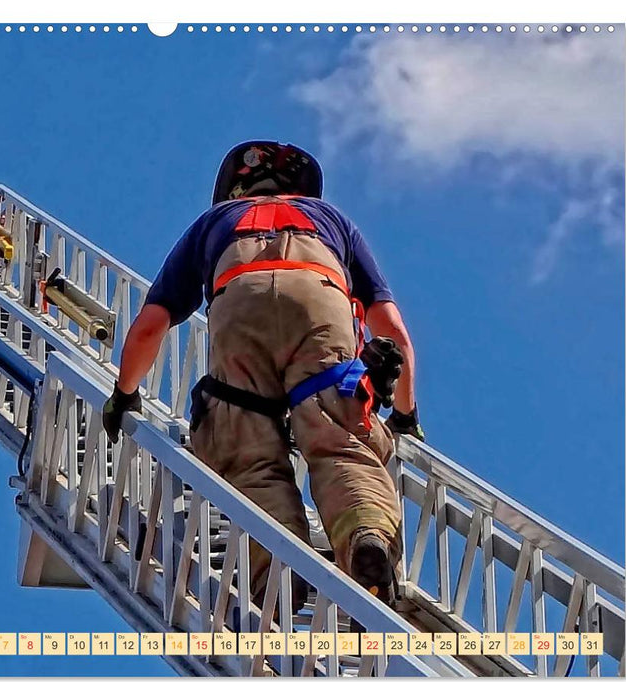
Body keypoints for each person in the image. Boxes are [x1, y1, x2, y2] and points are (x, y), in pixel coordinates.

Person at [101, 141, 424, 609]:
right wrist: (405, 414)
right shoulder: (332, 221)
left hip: (239, 305)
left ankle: (276, 572)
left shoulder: (213, 223)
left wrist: (124, 394)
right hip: (321, 301)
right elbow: (392, 331)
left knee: (246, 452)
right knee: (343, 443)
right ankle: (364, 536)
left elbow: (150, 326)